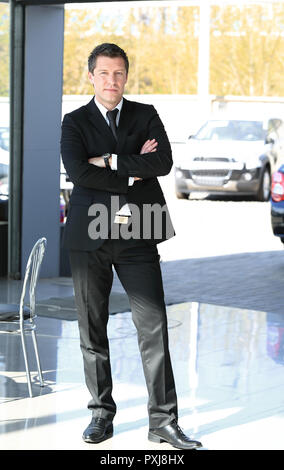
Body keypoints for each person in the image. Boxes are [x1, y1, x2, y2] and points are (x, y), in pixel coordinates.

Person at [60, 43, 202, 450]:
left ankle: (163, 421)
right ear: (91, 76)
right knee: (92, 327)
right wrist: (128, 171)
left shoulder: (146, 115)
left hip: (139, 231)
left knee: (154, 325)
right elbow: (77, 172)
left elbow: (162, 164)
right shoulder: (74, 122)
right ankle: (100, 413)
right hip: (90, 236)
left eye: (119, 73)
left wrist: (107, 160)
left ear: (126, 75)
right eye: (104, 73)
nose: (112, 81)